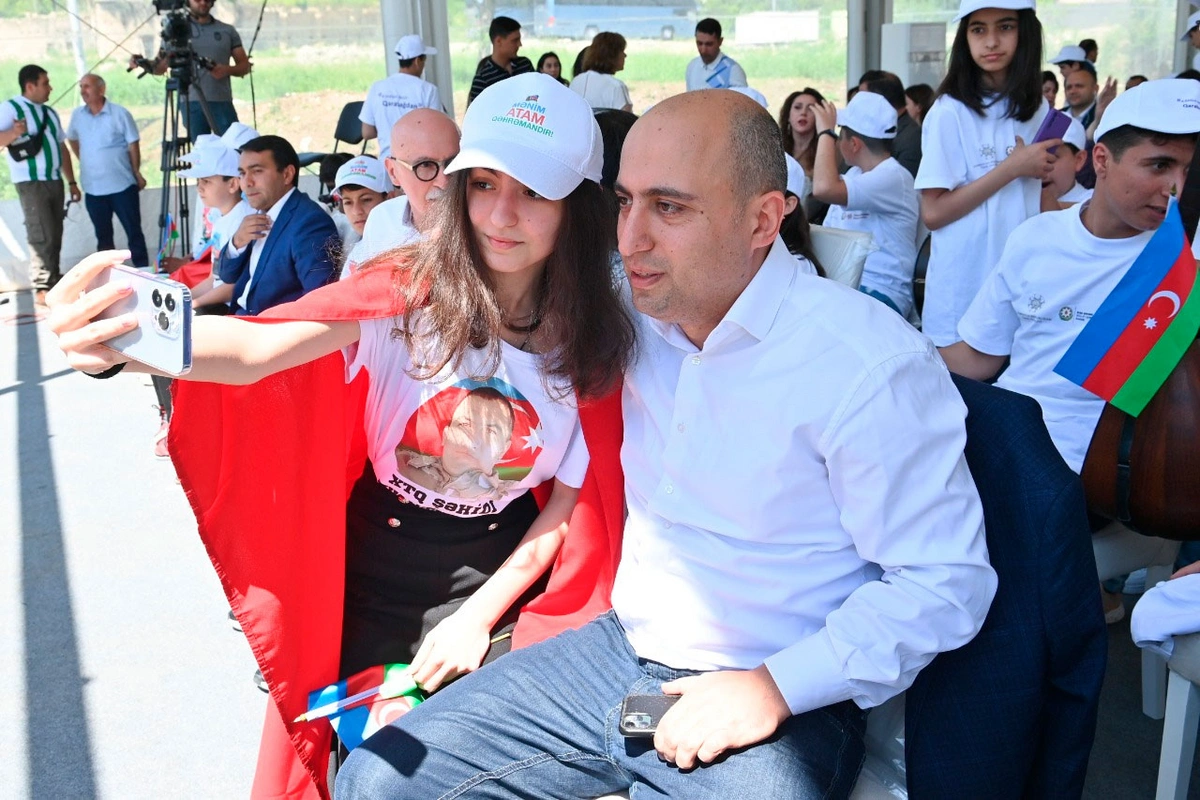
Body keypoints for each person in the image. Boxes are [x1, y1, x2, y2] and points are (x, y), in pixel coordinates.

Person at [331, 86, 994, 800]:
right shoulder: (627, 313)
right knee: (381, 779)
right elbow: (479, 279)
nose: (631, 238)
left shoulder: (866, 365)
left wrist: (773, 687)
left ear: (763, 219)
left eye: (669, 208)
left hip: (773, 686)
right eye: (625, 202)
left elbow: (944, 583)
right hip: (615, 653)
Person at [46, 71, 635, 799]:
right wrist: (122, 339)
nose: (501, 214)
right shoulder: (404, 295)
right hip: (364, 580)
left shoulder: (594, 342)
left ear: (578, 206)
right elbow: (260, 345)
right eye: (483, 184)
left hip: (500, 588)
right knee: (358, 767)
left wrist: (476, 621)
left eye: (535, 192)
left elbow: (567, 506)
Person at [938, 79, 1200, 619]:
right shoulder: (1036, 238)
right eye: (1158, 165)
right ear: (1101, 160)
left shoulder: (1186, 264)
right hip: (1005, 442)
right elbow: (976, 359)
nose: (1175, 188)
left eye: (1188, 171)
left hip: (1101, 472)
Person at [914, 0, 1058, 347]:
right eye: (978, 29)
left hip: (1023, 281)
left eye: (1005, 27)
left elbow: (1043, 197)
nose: (991, 42)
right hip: (965, 286)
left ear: (1026, 32)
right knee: (962, 379)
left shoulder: (1038, 109)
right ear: (964, 38)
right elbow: (933, 213)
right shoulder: (950, 112)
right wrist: (1011, 169)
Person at [812, 93, 919, 318]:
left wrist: (825, 133)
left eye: (840, 134)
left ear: (854, 144)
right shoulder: (854, 175)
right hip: (846, 288)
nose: (837, 141)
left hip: (880, 294)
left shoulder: (893, 176)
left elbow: (822, 188)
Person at [219, 135, 340, 315]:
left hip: (267, 326)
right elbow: (227, 275)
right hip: (241, 319)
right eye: (242, 173)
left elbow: (319, 300)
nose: (247, 183)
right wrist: (237, 242)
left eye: (257, 171)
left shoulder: (310, 222)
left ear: (287, 174)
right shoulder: (259, 214)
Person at [0, 64, 79, 304]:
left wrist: (72, 181)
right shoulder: (10, 108)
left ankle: (53, 279)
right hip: (31, 182)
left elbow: (62, 147)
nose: (50, 88)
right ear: (30, 86)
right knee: (40, 231)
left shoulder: (49, 112)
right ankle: (42, 285)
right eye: (45, 83)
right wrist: (14, 133)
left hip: (54, 179)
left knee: (55, 231)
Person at [348, 108, 460, 271]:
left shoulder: (485, 224)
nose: (444, 182)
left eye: (454, 162)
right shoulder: (382, 220)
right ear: (393, 172)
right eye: (425, 165)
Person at [132, 0, 251, 139]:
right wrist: (143, 63)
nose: (203, 2)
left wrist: (226, 70)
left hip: (221, 100)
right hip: (190, 100)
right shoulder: (174, 30)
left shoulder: (227, 31)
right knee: (200, 147)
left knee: (232, 145)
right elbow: (160, 67)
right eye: (197, 0)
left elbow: (245, 66)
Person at [65, 73, 149, 271]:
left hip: (122, 185)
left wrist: (136, 171)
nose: (83, 91)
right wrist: (85, 158)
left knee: (134, 232)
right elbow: (72, 139)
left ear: (101, 89)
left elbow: (133, 144)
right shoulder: (78, 115)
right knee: (103, 237)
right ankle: (107, 275)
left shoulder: (119, 113)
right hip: (93, 188)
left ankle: (144, 271)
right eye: (81, 87)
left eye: (87, 86)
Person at [360, 34, 442, 160]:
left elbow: (367, 132)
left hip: (386, 163)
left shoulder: (377, 88)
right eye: (424, 59)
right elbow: (436, 130)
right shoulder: (428, 90)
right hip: (417, 164)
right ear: (417, 61)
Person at [332, 155, 389, 278]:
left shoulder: (406, 246)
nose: (356, 211)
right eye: (348, 202)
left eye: (366, 200)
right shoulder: (357, 252)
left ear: (389, 198)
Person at [857, 70, 921, 176]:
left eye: (863, 99)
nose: (858, 104)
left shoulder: (912, 138)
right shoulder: (877, 129)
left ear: (882, 101)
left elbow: (901, 181)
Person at [778, 88, 825, 219]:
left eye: (810, 108)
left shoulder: (828, 150)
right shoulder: (776, 147)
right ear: (788, 115)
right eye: (797, 107)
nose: (803, 113)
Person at [468, 16, 533, 105]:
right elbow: (478, 112)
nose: (520, 44)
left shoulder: (525, 65)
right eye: (515, 40)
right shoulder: (482, 79)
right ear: (498, 41)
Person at [570, 32, 632, 112]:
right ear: (612, 54)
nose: (625, 55)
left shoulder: (576, 81)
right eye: (622, 51)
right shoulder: (617, 86)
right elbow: (626, 118)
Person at [1039, 117, 1091, 211]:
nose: (1041, 166)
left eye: (1050, 158)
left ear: (1079, 160)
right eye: (1033, 159)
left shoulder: (1092, 199)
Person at [685, 18, 747, 91]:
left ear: (720, 41)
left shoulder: (734, 71)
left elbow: (742, 98)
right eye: (699, 43)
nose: (703, 50)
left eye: (709, 44)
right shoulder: (692, 66)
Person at [1062, 62, 1099, 129]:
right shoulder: (1056, 117)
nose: (1073, 91)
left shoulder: (1103, 117)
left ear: (1095, 88)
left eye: (1079, 86)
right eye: (1069, 87)